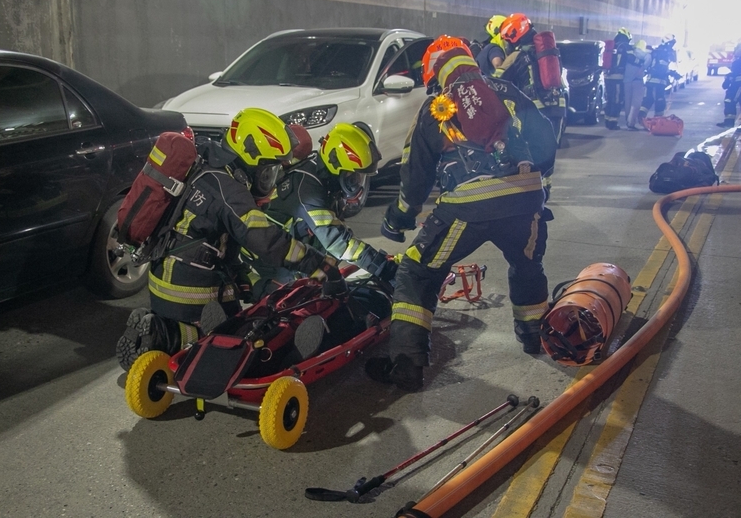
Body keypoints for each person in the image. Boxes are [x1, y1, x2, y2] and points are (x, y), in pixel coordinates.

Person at [369, 43, 556, 392]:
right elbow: (544, 133)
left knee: (416, 272)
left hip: (469, 204)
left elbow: (416, 172)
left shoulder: (437, 107)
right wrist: (539, 181)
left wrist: (400, 218)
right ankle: (535, 339)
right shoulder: (506, 90)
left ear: (435, 74)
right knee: (527, 264)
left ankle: (406, 366)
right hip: (526, 198)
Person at [116, 108, 346, 371]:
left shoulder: (208, 161)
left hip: (167, 276)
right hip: (190, 290)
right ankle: (165, 336)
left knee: (245, 304)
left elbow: (221, 244)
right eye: (268, 170)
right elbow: (265, 240)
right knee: (236, 335)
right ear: (250, 156)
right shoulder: (229, 189)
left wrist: (251, 284)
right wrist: (315, 263)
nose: (269, 180)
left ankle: (160, 326)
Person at [248, 122, 397, 298]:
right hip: (269, 261)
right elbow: (339, 243)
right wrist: (383, 267)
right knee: (300, 301)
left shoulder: (322, 177)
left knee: (330, 283)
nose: (357, 183)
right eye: (353, 176)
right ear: (336, 164)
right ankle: (262, 290)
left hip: (290, 250)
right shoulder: (308, 190)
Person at [495, 12, 564, 197]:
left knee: (532, 148)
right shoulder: (550, 52)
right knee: (549, 147)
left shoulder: (518, 55)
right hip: (557, 107)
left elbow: (497, 79)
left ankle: (534, 189)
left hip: (534, 109)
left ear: (513, 35)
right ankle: (546, 186)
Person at [638, 34, 678, 123]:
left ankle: (641, 117)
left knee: (648, 99)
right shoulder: (664, 53)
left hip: (650, 80)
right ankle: (658, 121)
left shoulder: (656, 51)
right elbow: (662, 69)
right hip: (658, 82)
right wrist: (672, 73)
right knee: (659, 101)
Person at [604, 28, 633, 130]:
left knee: (610, 99)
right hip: (618, 77)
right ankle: (613, 123)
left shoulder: (612, 45)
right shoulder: (625, 45)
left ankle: (607, 121)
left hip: (607, 76)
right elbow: (632, 59)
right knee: (617, 100)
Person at [624, 39, 651, 130]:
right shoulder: (644, 55)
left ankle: (627, 121)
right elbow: (647, 61)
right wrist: (643, 67)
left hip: (626, 81)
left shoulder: (629, 53)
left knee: (627, 101)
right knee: (636, 103)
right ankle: (631, 123)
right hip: (637, 81)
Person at [717, 43, 741, 128]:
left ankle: (730, 123)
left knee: (731, 100)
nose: (735, 51)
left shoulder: (738, 62)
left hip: (738, 86)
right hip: (735, 85)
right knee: (729, 100)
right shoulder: (737, 61)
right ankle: (728, 122)